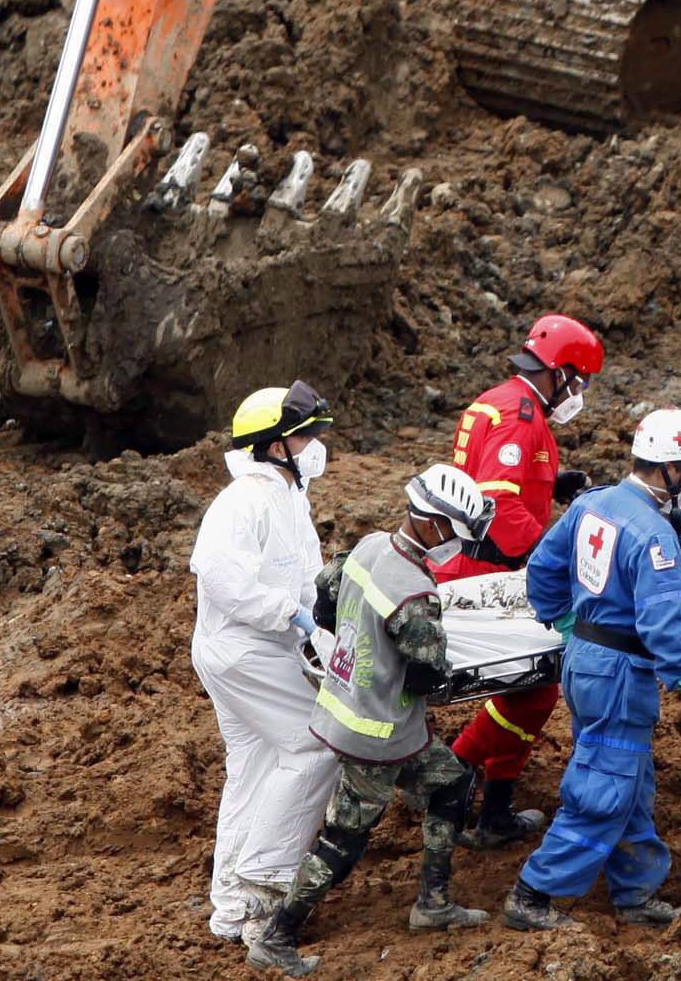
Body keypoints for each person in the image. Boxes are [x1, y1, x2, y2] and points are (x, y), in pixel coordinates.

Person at [243, 467, 502, 973]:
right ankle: (277, 936)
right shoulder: (416, 595)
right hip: (377, 735)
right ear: (434, 526)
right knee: (343, 840)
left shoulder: (368, 547)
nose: (458, 548)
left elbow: (324, 602)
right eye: (457, 537)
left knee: (451, 782)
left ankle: (433, 902)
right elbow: (428, 675)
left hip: (351, 709)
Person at [503, 409, 681, 932]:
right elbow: (662, 625)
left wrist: (560, 616)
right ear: (668, 470)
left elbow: (543, 566)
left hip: (584, 658)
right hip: (621, 673)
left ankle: (634, 891)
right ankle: (534, 894)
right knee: (604, 787)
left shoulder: (592, 504)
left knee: (633, 779)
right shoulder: (654, 535)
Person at [438, 314, 607, 847]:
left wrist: (552, 483)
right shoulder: (521, 416)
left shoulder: (501, 401)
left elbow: (490, 477)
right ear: (561, 372)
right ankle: (457, 768)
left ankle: (495, 811)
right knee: (535, 690)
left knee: (532, 685)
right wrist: (550, 558)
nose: (579, 393)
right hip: (490, 568)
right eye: (578, 381)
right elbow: (498, 502)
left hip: (487, 559)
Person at [192, 382, 341, 943]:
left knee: (254, 766)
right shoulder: (244, 500)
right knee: (315, 741)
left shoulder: (288, 499)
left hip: (258, 648)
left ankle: (232, 908)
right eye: (306, 438)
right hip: (241, 651)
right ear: (276, 446)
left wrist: (318, 621)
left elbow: (303, 571)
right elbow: (219, 573)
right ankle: (264, 883)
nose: (315, 448)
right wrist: (291, 616)